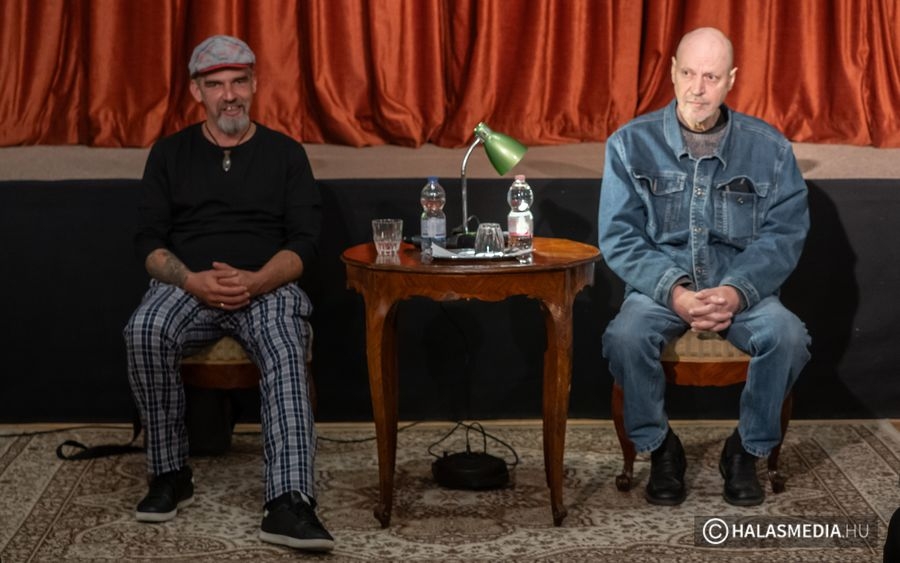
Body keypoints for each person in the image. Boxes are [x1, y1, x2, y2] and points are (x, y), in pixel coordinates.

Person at [123, 35, 333, 551]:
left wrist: (257, 280)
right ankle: (169, 474)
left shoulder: (285, 154)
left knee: (284, 343)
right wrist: (191, 280)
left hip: (266, 285)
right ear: (197, 92)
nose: (230, 95)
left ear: (255, 84)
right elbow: (148, 242)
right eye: (216, 85)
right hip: (190, 285)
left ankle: (288, 501)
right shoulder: (169, 153)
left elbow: (305, 242)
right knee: (144, 329)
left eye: (239, 81)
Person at [598, 27, 811, 507]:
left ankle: (745, 452)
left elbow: (784, 235)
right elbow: (620, 236)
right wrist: (674, 292)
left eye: (711, 77)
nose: (697, 88)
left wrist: (736, 292)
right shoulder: (629, 144)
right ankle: (660, 449)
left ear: (731, 79)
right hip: (660, 290)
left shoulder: (771, 149)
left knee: (789, 337)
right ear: (673, 72)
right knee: (625, 337)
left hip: (742, 289)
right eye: (689, 73)